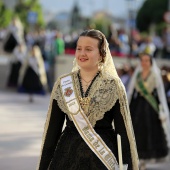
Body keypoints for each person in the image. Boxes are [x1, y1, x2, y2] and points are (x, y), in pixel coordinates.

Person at [37, 29, 139, 170]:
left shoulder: (114, 85)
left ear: (101, 54)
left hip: (103, 160)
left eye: (88, 49)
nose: (82, 53)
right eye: (79, 48)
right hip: (66, 158)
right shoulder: (63, 84)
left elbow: (123, 134)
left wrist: (128, 166)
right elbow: (51, 134)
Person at [127, 52, 170, 170]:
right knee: (138, 128)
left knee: (151, 129)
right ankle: (137, 153)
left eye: (147, 60)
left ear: (151, 62)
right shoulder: (137, 75)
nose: (144, 63)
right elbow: (130, 91)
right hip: (138, 104)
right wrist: (126, 105)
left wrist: (163, 110)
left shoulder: (155, 75)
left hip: (151, 106)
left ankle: (152, 153)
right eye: (143, 60)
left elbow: (161, 93)